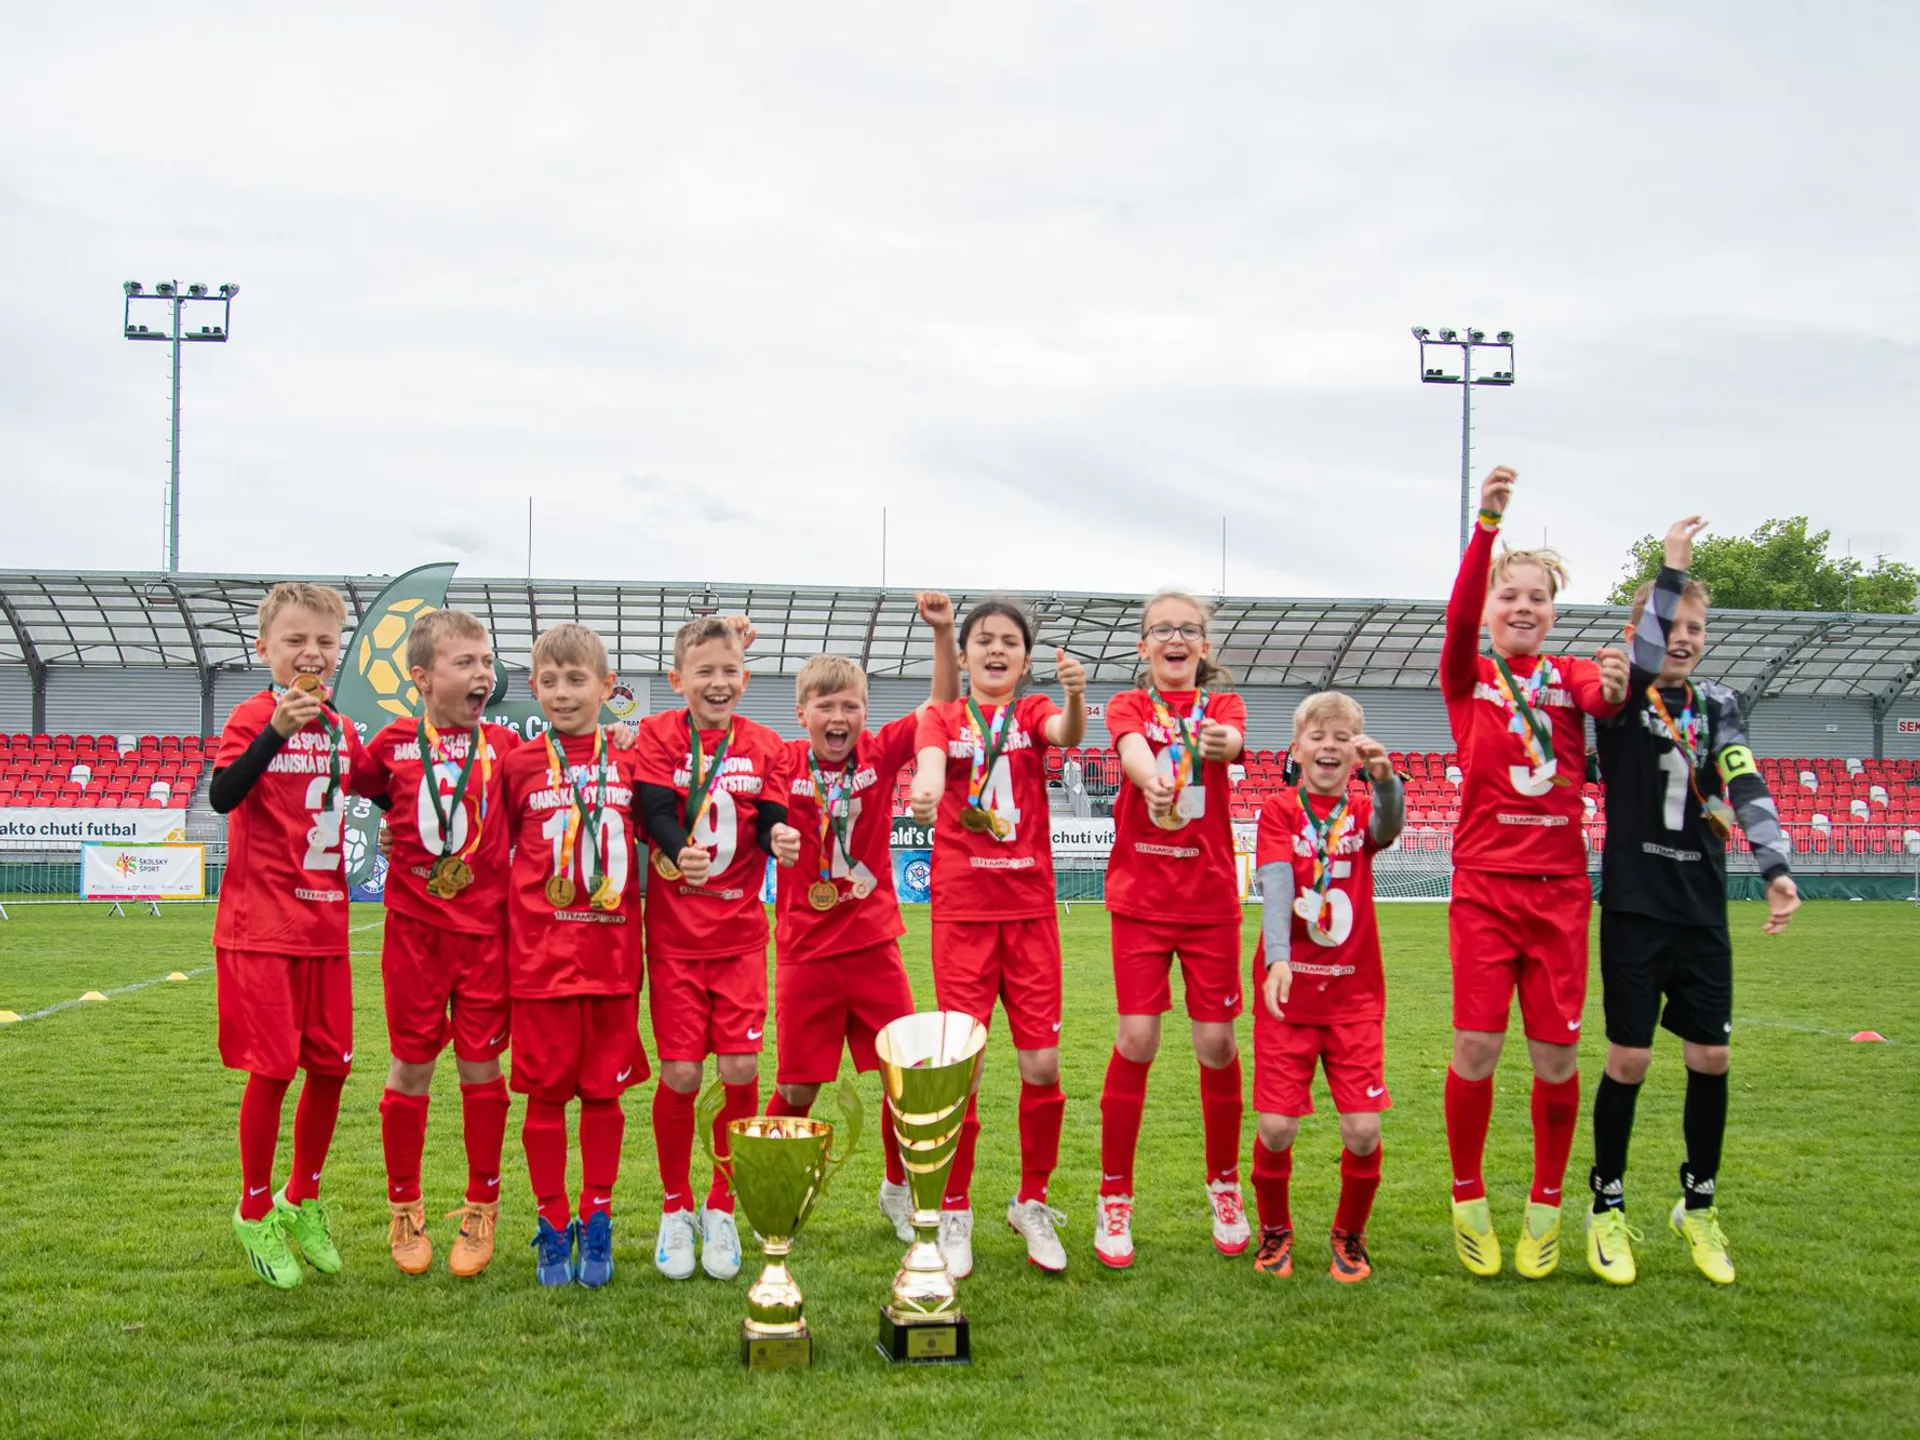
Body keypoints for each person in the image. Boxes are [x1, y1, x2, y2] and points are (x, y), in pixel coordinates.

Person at [1586, 515, 1799, 1286]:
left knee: (1711, 1056)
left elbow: (1745, 781)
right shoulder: (1622, 694)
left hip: (1702, 907)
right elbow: (1643, 660)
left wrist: (1775, 865)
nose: (1682, 636)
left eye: (1695, 627)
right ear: (1643, 629)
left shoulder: (1719, 704)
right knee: (1632, 1059)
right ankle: (1606, 1205)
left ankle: (1697, 1206)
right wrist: (1670, 568)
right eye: (1670, 623)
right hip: (1637, 905)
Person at [1440, 467, 1630, 1280]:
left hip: (1557, 895)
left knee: (1555, 1059)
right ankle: (1468, 1196)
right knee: (1477, 1047)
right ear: (1488, 610)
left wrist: (1614, 681)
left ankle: (1546, 1205)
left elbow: (1606, 696)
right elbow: (1453, 621)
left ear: (1553, 613)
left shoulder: (1572, 681)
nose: (1522, 608)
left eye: (1537, 598)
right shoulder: (1470, 678)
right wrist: (1487, 524)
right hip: (1484, 887)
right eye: (1507, 596)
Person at [767, 592, 959, 1243]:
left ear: (865, 714)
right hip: (804, 952)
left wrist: (943, 634)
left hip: (875, 945)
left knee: (903, 1081)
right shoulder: (783, 762)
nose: (839, 715)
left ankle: (897, 1189)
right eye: (826, 705)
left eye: (850, 705)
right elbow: (726, 759)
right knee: (796, 1087)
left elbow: (941, 707)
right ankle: (776, 1189)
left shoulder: (878, 755)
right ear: (803, 714)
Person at [909, 598, 1087, 1275]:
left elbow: (1067, 736)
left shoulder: (1036, 709)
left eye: (1009, 642)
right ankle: (955, 1209)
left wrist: (1074, 698)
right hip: (965, 916)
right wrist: (925, 791)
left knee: (1041, 1065)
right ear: (965, 654)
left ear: (1024, 659)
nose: (995, 649)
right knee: (965, 1070)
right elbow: (929, 763)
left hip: (1030, 913)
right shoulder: (942, 716)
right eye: (983, 640)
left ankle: (1031, 1202)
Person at [209, 582, 371, 1290]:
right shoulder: (251, 718)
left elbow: (379, 785)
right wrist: (277, 729)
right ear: (265, 650)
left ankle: (301, 1198)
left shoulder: (342, 728)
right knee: (272, 1069)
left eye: (324, 642)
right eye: (295, 641)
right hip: (262, 926)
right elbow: (223, 795)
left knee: (332, 1067)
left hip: (325, 924)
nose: (311, 653)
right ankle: (252, 1209)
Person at [634, 618, 799, 1283]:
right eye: (703, 671)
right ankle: (676, 1207)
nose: (718, 682)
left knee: (737, 1069)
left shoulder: (764, 745)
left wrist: (781, 838)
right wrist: (679, 851)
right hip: (675, 942)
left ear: (745, 678)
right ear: (677, 681)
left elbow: (769, 816)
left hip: (737, 940)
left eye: (729, 671)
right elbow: (651, 807)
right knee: (679, 1076)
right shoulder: (657, 734)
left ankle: (723, 1203)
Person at [356, 609, 518, 1278]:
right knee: (411, 1068)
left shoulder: (506, 747)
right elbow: (368, 793)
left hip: (486, 938)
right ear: (422, 678)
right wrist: (393, 832)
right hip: (416, 937)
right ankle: (405, 1207)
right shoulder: (391, 743)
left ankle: (481, 1205)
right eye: (465, 663)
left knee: (482, 1073)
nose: (482, 674)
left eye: (486, 662)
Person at [1094, 589, 1251, 1268]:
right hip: (1141, 898)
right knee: (1137, 1036)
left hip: (1210, 900)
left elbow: (1235, 742)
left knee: (1216, 1043)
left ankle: (1224, 1183)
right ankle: (1114, 1196)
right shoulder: (1129, 704)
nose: (1175, 639)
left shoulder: (1222, 708)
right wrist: (1152, 776)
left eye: (1188, 630)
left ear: (1205, 647)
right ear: (1144, 646)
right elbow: (1130, 745)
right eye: (1162, 630)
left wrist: (1224, 744)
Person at [500, 623, 648, 1288]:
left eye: (577, 680)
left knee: (602, 1097)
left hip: (613, 960)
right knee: (545, 1097)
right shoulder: (519, 766)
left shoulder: (635, 759)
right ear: (534, 688)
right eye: (551, 682)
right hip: (540, 964)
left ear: (607, 688)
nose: (563, 694)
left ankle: (598, 1214)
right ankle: (553, 1222)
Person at [1248, 693, 1405, 1282]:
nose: (1330, 746)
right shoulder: (1278, 810)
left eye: (1343, 737)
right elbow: (1279, 884)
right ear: (1296, 749)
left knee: (1363, 1130)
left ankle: (1350, 1234)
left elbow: (1388, 827)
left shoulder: (1363, 808)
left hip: (1354, 997)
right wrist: (1279, 958)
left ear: (1357, 751)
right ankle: (1275, 1231)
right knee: (1276, 1126)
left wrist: (1387, 781)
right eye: (1318, 736)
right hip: (1288, 994)